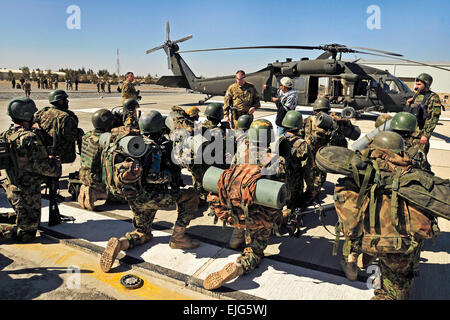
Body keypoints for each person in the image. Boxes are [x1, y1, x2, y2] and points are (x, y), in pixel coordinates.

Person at [99, 111, 200, 273]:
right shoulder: (154, 148)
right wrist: (169, 174)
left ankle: (122, 243)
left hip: (134, 197)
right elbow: (153, 177)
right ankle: (178, 238)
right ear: (160, 128)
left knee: (143, 233)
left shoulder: (134, 144)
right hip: (152, 196)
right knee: (191, 196)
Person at [204, 119, 286, 290]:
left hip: (232, 212)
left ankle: (237, 235)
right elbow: (284, 193)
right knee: (256, 251)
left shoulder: (239, 155)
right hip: (257, 219)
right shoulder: (276, 160)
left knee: (242, 202)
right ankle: (240, 266)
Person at [0, 97, 61, 242]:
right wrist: (55, 165)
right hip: (26, 191)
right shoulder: (30, 137)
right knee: (27, 234)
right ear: (26, 115)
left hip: (13, 186)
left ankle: (18, 219)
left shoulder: (7, 133)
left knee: (30, 221)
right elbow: (45, 168)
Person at [301, 97, 358, 203]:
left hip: (313, 154)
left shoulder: (308, 120)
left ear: (315, 110)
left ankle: (310, 195)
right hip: (326, 155)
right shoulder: (335, 121)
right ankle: (314, 188)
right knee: (318, 175)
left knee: (313, 178)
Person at [77, 109, 114, 211]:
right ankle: (97, 193)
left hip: (83, 175)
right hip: (97, 179)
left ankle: (87, 188)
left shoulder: (87, 135)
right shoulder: (106, 140)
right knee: (125, 195)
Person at [33, 89, 84, 164]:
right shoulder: (65, 117)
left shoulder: (42, 112)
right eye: (65, 99)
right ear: (60, 101)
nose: (67, 101)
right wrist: (80, 133)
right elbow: (70, 136)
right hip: (61, 152)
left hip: (44, 150)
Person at [405, 73, 443, 155]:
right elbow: (412, 112)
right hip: (411, 133)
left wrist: (426, 135)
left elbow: (434, 118)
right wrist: (408, 104)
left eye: (419, 84)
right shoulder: (417, 95)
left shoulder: (433, 98)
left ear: (426, 84)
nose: (416, 86)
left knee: (420, 158)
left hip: (421, 135)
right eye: (416, 84)